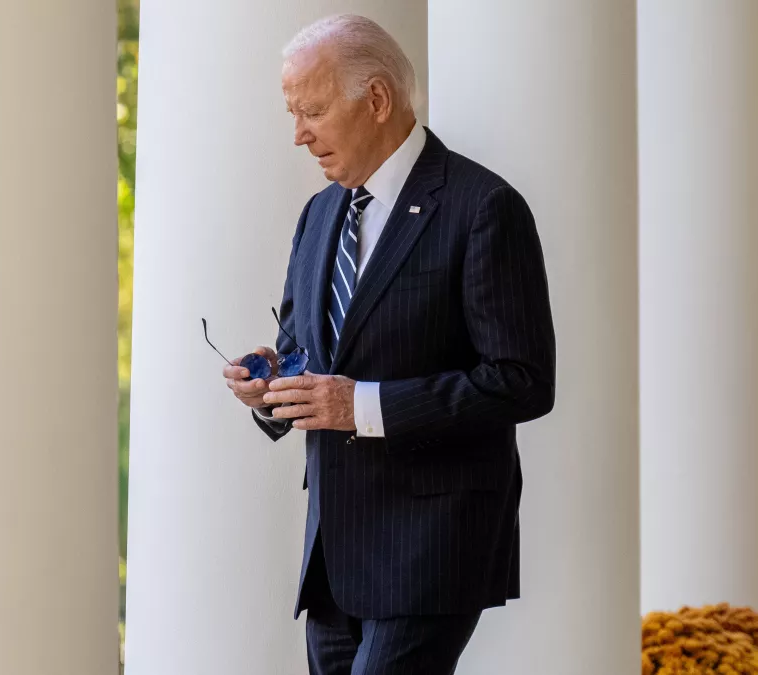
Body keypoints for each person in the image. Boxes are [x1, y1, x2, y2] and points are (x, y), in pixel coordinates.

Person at [221, 14, 556, 675]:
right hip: (334, 556)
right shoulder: (319, 215)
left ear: (375, 99)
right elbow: (305, 353)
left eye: (312, 110)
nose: (299, 135)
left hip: (432, 545)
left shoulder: (484, 207)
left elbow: (522, 380)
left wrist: (362, 406)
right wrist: (271, 384)